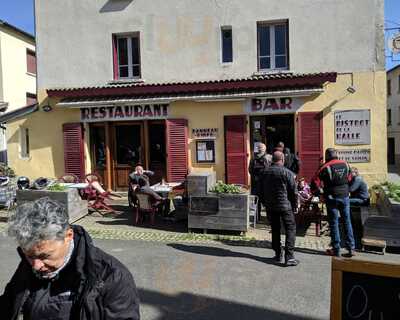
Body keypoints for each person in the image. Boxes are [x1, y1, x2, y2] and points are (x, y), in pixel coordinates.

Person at [0, 197, 140, 319]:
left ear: (68, 236)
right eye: (29, 256)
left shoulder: (112, 277)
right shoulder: (31, 263)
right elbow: (8, 304)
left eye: (45, 256)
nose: (36, 265)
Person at [313, 148, 355, 257]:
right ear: (336, 155)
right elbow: (351, 179)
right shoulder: (345, 164)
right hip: (345, 196)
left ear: (327, 156)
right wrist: (347, 189)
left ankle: (336, 250)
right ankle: (351, 248)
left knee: (334, 223)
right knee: (347, 221)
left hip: (331, 197)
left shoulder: (324, 167)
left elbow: (314, 182)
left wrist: (320, 194)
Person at [263, 151, 299, 266]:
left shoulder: (265, 172)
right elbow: (293, 191)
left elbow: (260, 190)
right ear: (282, 159)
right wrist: (295, 205)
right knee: (290, 229)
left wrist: (265, 203)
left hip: (271, 205)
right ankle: (289, 257)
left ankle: (278, 254)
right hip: (285, 205)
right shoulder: (287, 172)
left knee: (275, 229)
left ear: (272, 159)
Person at [248, 143, 271, 220]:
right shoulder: (269, 158)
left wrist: (255, 176)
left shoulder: (253, 158)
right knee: (266, 202)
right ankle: (268, 218)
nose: (258, 149)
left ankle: (257, 218)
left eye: (259, 148)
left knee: (257, 202)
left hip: (257, 183)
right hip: (264, 184)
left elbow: (250, 170)